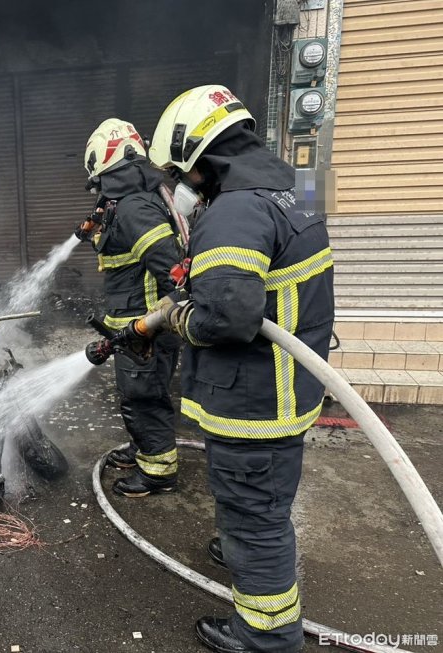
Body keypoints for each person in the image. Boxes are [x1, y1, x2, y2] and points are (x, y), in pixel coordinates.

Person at [129, 85, 334, 652]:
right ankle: (245, 547)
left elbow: (226, 318)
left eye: (179, 172)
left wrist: (178, 319)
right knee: (263, 502)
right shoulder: (300, 186)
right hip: (290, 389)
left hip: (253, 403)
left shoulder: (235, 211)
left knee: (254, 517)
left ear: (199, 157)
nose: (181, 184)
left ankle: (266, 636)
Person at [77, 118, 183, 497]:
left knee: (144, 400)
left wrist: (155, 325)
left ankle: (157, 472)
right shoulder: (131, 200)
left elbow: (173, 272)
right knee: (137, 396)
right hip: (135, 330)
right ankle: (144, 450)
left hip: (146, 332)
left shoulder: (135, 208)